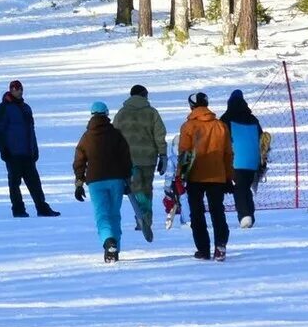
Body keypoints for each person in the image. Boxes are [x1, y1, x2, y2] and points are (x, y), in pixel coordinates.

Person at [73, 102, 135, 262]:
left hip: (95, 181)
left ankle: (109, 242)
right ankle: (115, 249)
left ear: (92, 115)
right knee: (114, 214)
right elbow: (126, 158)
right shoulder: (116, 134)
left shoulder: (86, 137)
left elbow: (79, 161)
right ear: (107, 115)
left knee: (102, 214)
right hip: (117, 180)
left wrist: (79, 182)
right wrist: (128, 178)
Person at [175, 91, 233, 259]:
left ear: (192, 106)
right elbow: (228, 154)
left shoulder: (188, 126)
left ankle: (203, 249)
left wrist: (180, 176)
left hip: (195, 176)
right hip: (217, 175)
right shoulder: (220, 125)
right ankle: (220, 244)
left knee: (197, 213)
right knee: (217, 211)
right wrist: (229, 176)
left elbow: (184, 154)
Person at [0, 81, 58, 218]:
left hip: (27, 153)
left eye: (20, 89)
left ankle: (42, 208)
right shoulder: (3, 108)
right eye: (16, 89)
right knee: (14, 183)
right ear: (11, 90)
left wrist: (34, 149)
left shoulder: (26, 108)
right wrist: (3, 150)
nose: (19, 91)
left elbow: (31, 130)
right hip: (12, 153)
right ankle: (18, 209)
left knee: (35, 183)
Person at [112, 85, 168, 242]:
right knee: (146, 188)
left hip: (128, 159)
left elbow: (115, 136)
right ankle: (145, 218)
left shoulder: (121, 114)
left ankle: (140, 215)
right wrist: (162, 154)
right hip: (148, 158)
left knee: (135, 188)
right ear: (144, 95)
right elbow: (159, 135)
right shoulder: (152, 113)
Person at [220, 89, 264, 226]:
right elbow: (262, 139)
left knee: (239, 188)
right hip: (253, 161)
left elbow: (221, 140)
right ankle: (250, 214)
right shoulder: (253, 119)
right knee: (245, 186)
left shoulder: (226, 119)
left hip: (237, 160)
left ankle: (245, 215)